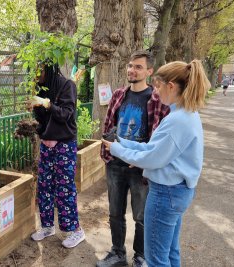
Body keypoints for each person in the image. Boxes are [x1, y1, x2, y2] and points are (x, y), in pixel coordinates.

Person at [102, 60, 210, 267]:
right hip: (176, 192)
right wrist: (122, 143)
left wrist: (117, 149)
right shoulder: (185, 114)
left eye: (159, 86)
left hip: (166, 194)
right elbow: (154, 149)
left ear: (171, 86)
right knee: (169, 252)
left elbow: (153, 159)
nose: (156, 91)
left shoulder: (178, 120)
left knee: (157, 259)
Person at [97, 51, 169, 267]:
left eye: (138, 67)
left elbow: (160, 135)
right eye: (130, 66)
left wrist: (141, 158)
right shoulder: (119, 95)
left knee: (141, 216)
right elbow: (109, 125)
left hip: (141, 167)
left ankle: (140, 256)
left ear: (149, 71)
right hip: (116, 164)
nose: (132, 70)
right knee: (115, 212)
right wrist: (109, 148)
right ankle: (117, 253)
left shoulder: (157, 99)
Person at [29, 63, 85, 249]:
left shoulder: (67, 85)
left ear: (50, 70)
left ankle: (75, 231)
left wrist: (47, 103)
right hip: (47, 146)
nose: (37, 74)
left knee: (64, 188)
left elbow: (65, 115)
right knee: (44, 185)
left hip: (64, 146)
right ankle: (47, 226)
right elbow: (42, 120)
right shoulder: (42, 88)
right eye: (34, 71)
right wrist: (41, 133)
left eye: (40, 70)